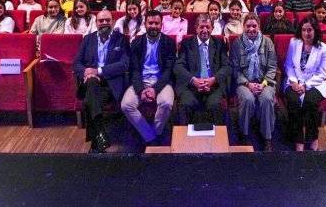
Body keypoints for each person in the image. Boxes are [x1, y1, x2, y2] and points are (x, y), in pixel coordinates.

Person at [72, 10, 130, 153]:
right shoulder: (88, 39)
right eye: (100, 20)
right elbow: (77, 63)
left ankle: (96, 141)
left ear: (113, 21)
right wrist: (86, 72)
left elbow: (124, 64)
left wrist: (97, 71)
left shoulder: (121, 39)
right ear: (96, 22)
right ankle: (100, 134)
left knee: (89, 101)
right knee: (92, 85)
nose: (104, 23)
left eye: (107, 20)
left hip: (111, 84)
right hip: (92, 82)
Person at [121, 10, 176, 148]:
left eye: (157, 23)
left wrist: (155, 89)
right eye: (150, 23)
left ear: (161, 25)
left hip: (161, 82)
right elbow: (134, 70)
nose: (153, 26)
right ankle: (150, 136)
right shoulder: (137, 42)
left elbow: (168, 71)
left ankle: (156, 133)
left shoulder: (169, 42)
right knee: (126, 105)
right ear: (145, 24)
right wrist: (140, 90)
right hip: (141, 81)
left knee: (166, 103)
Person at [230, 13, 277, 151]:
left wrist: (263, 84)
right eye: (248, 26)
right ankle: (244, 134)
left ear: (259, 26)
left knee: (267, 98)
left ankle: (267, 136)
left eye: (254, 26)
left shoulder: (268, 42)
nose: (251, 29)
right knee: (248, 99)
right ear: (243, 27)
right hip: (244, 83)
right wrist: (248, 84)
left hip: (264, 82)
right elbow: (234, 69)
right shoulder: (237, 43)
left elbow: (272, 66)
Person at [174, 14, 229, 125]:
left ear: (212, 28)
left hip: (214, 86)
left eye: (207, 27)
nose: (205, 30)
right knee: (185, 104)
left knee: (215, 105)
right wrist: (193, 80)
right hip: (191, 86)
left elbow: (227, 66)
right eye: (201, 27)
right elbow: (178, 66)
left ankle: (217, 141)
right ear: (196, 28)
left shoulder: (219, 43)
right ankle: (183, 140)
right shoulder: (186, 43)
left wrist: (213, 80)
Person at [283, 16, 326, 151]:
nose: (306, 33)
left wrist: (305, 86)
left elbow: (322, 73)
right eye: (303, 30)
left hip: (314, 83)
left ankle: (313, 138)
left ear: (315, 31)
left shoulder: (324, 48)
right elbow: (289, 65)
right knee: (294, 101)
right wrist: (293, 82)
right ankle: (298, 140)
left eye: (309, 30)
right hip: (294, 80)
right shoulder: (294, 42)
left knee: (310, 102)